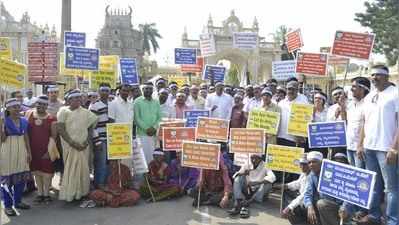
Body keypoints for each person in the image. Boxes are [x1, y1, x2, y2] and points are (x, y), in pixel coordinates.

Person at [356, 65, 399, 225]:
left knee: (391, 188)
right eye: (372, 75)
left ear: (386, 77)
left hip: (386, 149)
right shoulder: (370, 96)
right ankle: (374, 215)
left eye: (378, 75)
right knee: (373, 185)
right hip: (369, 148)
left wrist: (394, 148)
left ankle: (393, 220)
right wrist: (360, 145)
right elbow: (364, 122)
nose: (374, 78)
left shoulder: (395, 94)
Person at [56, 90, 97, 202]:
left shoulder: (85, 112)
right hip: (70, 146)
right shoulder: (63, 111)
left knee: (83, 170)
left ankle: (83, 192)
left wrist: (86, 142)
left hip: (83, 146)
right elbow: (60, 129)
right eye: (75, 98)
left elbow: (90, 128)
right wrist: (72, 143)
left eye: (80, 98)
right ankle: (71, 193)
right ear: (69, 100)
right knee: (71, 169)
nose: (78, 100)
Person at [0, 98, 32, 216]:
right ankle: (8, 206)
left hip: (21, 152)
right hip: (7, 153)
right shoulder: (3, 120)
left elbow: (26, 137)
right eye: (14, 107)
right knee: (7, 180)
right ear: (8, 109)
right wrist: (2, 126)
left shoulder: (24, 120)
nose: (17, 109)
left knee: (21, 179)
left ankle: (18, 201)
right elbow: (2, 139)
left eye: (18, 107)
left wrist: (29, 152)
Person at [27, 95, 57, 203]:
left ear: (47, 106)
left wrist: (49, 152)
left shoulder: (52, 118)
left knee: (47, 173)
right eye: (39, 104)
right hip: (33, 150)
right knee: (37, 172)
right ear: (36, 104)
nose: (41, 106)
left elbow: (54, 137)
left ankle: (47, 194)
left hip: (46, 150)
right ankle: (40, 194)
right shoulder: (29, 115)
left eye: (44, 104)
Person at [228, 154, 276, 218]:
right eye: (252, 158)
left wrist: (257, 182)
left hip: (258, 191)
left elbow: (273, 177)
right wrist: (243, 173)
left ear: (260, 159)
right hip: (247, 189)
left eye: (256, 158)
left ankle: (249, 201)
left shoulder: (265, 165)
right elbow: (235, 175)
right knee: (238, 178)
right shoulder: (247, 163)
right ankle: (239, 200)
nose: (253, 160)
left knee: (268, 184)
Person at [303, 151, 343, 225]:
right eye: (309, 162)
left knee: (321, 204)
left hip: (339, 208)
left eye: (314, 162)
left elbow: (347, 195)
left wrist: (344, 207)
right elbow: (307, 194)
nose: (311, 164)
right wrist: (309, 206)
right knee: (299, 207)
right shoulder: (311, 175)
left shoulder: (332, 172)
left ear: (321, 163)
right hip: (322, 206)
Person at [341, 77, 370, 169]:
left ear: (362, 89)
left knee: (360, 175)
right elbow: (345, 121)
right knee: (352, 174)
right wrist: (342, 107)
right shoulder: (350, 104)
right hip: (350, 145)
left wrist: (360, 145)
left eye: (354, 86)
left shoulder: (368, 104)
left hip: (361, 148)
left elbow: (366, 126)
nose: (351, 89)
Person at [89, 84, 112, 189]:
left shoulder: (112, 104)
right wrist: (97, 141)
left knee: (108, 163)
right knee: (100, 163)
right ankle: (99, 184)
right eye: (102, 91)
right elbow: (91, 126)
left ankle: (106, 182)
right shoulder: (94, 106)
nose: (105, 93)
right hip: (101, 139)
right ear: (99, 92)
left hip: (111, 138)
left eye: (107, 91)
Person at [134, 82, 161, 163]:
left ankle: (152, 175)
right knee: (143, 158)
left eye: (150, 89)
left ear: (153, 90)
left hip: (154, 134)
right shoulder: (137, 101)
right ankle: (145, 175)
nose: (148, 90)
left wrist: (154, 128)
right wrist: (147, 129)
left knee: (154, 157)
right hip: (142, 134)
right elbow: (136, 118)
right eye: (146, 89)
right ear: (142, 90)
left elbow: (160, 117)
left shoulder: (156, 102)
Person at [108, 84, 134, 167]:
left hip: (127, 136)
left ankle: (126, 179)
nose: (126, 92)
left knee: (127, 162)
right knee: (117, 163)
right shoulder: (113, 104)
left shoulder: (131, 104)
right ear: (119, 91)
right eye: (124, 90)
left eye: (127, 91)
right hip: (117, 137)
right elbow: (111, 121)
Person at [277, 80, 308, 148]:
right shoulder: (281, 103)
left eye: (293, 89)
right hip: (281, 137)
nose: (290, 91)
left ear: (297, 90)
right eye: (289, 89)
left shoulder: (303, 103)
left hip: (295, 140)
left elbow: (306, 120)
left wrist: (301, 135)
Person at [281, 156, 311, 225]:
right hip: (301, 196)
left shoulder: (312, 176)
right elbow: (297, 183)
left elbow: (304, 195)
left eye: (305, 164)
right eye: (301, 164)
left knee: (292, 209)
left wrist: (289, 207)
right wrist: (286, 185)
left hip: (307, 201)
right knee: (286, 191)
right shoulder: (304, 173)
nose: (302, 167)